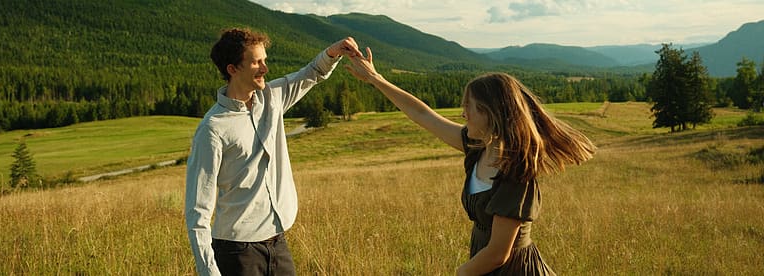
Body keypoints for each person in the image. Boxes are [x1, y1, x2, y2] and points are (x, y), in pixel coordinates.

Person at [345, 47, 595, 275]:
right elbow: (422, 113)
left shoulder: (516, 172)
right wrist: (375, 79)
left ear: (490, 114)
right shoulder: (477, 148)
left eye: (469, 107)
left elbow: (498, 254)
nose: (463, 113)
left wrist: (461, 273)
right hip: (484, 265)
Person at [184, 27, 361, 276]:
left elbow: (311, 73)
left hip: (278, 244)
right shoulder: (212, 129)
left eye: (264, 60)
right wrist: (208, 271)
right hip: (236, 253)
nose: (265, 68)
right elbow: (197, 210)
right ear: (232, 69)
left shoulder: (272, 98)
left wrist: (333, 52)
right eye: (256, 62)